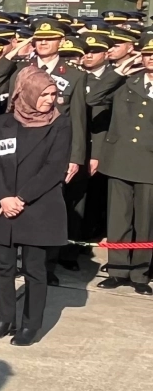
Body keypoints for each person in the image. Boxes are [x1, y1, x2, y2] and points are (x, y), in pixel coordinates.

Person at [0, 17, 88, 275]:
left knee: (45, 212)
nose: (43, 43)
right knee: (14, 207)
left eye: (49, 39)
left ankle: (44, 268)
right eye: (38, 38)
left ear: (61, 42)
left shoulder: (73, 74)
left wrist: (75, 157)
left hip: (52, 151)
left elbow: (77, 117)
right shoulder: (20, 68)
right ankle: (17, 260)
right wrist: (11, 55)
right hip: (17, 149)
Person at [0, 67, 72, 345]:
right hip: (3, 204)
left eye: (53, 94)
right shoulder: (3, 122)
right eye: (43, 94)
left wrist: (21, 198)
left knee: (35, 269)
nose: (50, 100)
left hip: (37, 205)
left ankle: (30, 325)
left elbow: (54, 168)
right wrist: (4, 197)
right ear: (26, 93)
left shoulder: (60, 124)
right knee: (3, 266)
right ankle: (5, 318)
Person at [94, 36, 153, 294]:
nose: (151, 58)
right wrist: (118, 71)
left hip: (149, 163)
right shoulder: (127, 81)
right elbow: (94, 96)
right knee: (119, 219)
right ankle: (117, 270)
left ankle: (140, 273)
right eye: (147, 53)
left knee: (145, 221)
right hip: (120, 159)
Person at [78, 30, 127, 242]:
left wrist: (97, 153)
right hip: (75, 144)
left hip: (103, 146)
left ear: (106, 54)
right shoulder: (74, 75)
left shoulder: (118, 79)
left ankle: (90, 235)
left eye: (95, 51)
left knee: (97, 197)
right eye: (86, 51)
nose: (88, 55)